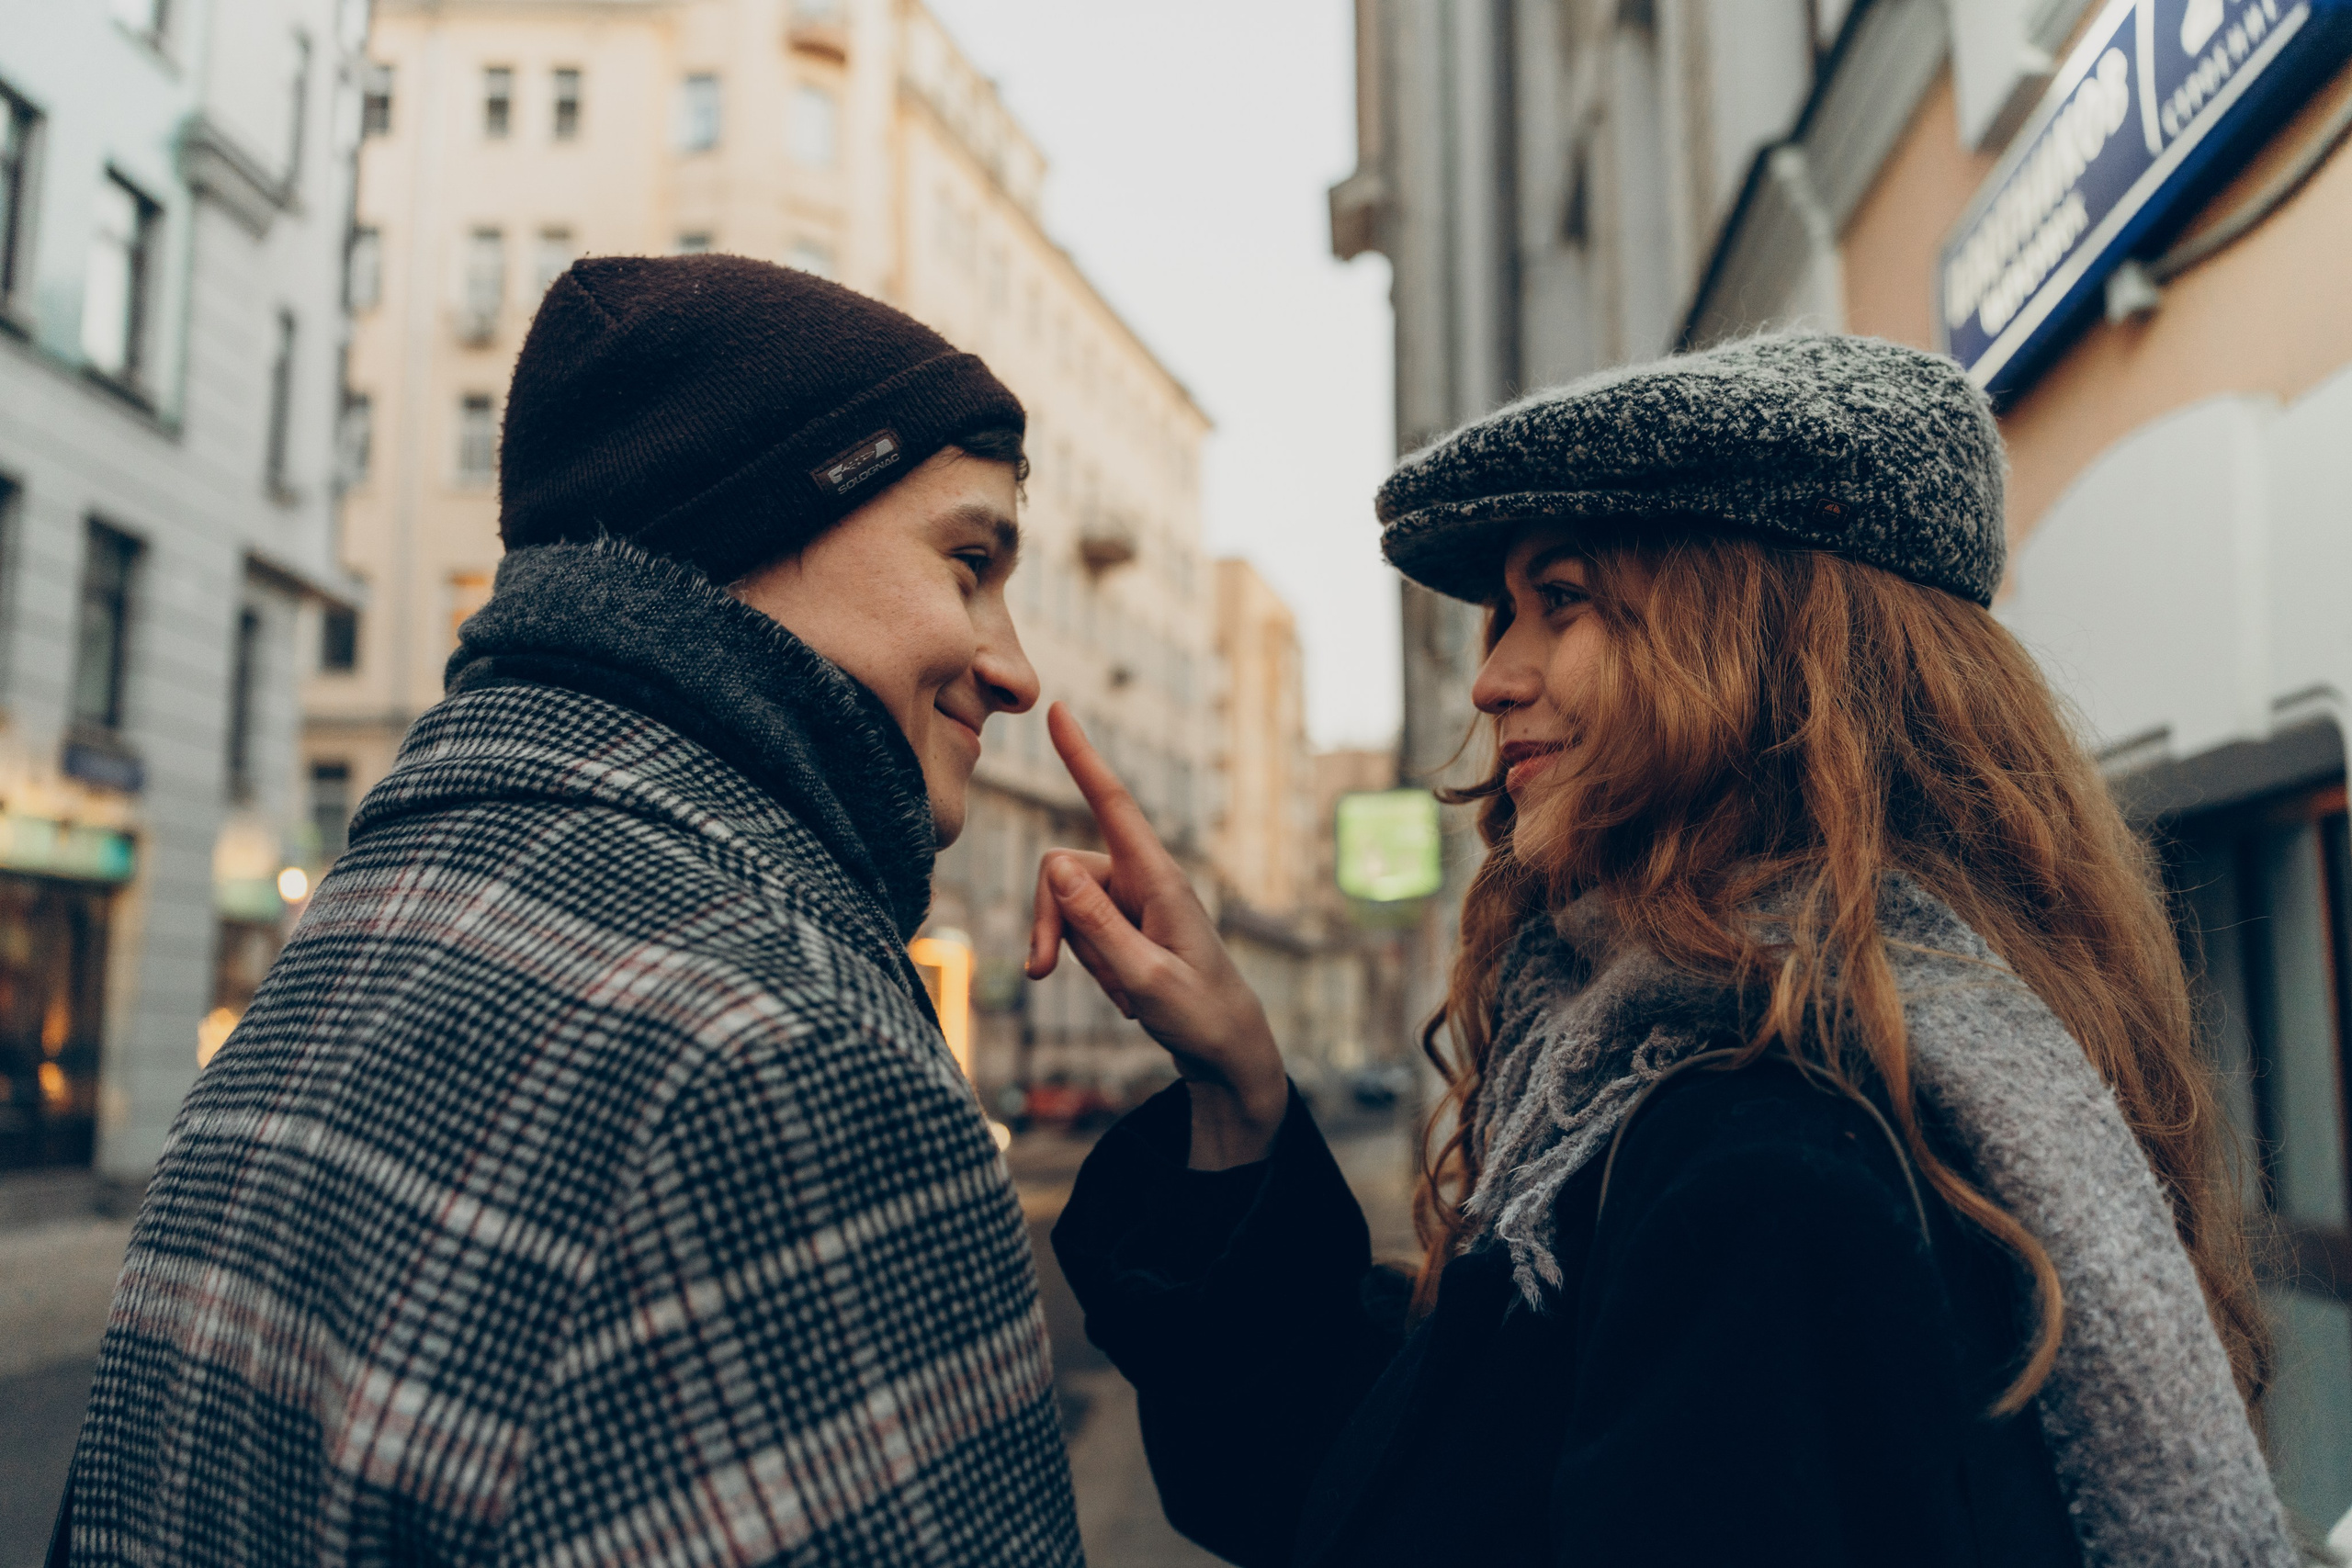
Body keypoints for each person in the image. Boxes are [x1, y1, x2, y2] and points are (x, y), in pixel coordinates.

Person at [1033, 334, 2294, 1567]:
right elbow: (1385, 1471)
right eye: (1504, 617)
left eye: (1562, 601)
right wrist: (1242, 1082)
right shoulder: (1672, 1079)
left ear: (1758, 649)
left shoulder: (1770, 1157)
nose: (1495, 679)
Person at [62, 256, 1083, 1567]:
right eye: (968, 562)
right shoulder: (785, 1056)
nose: (1014, 669)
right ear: (753, 526)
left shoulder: (345, 951)